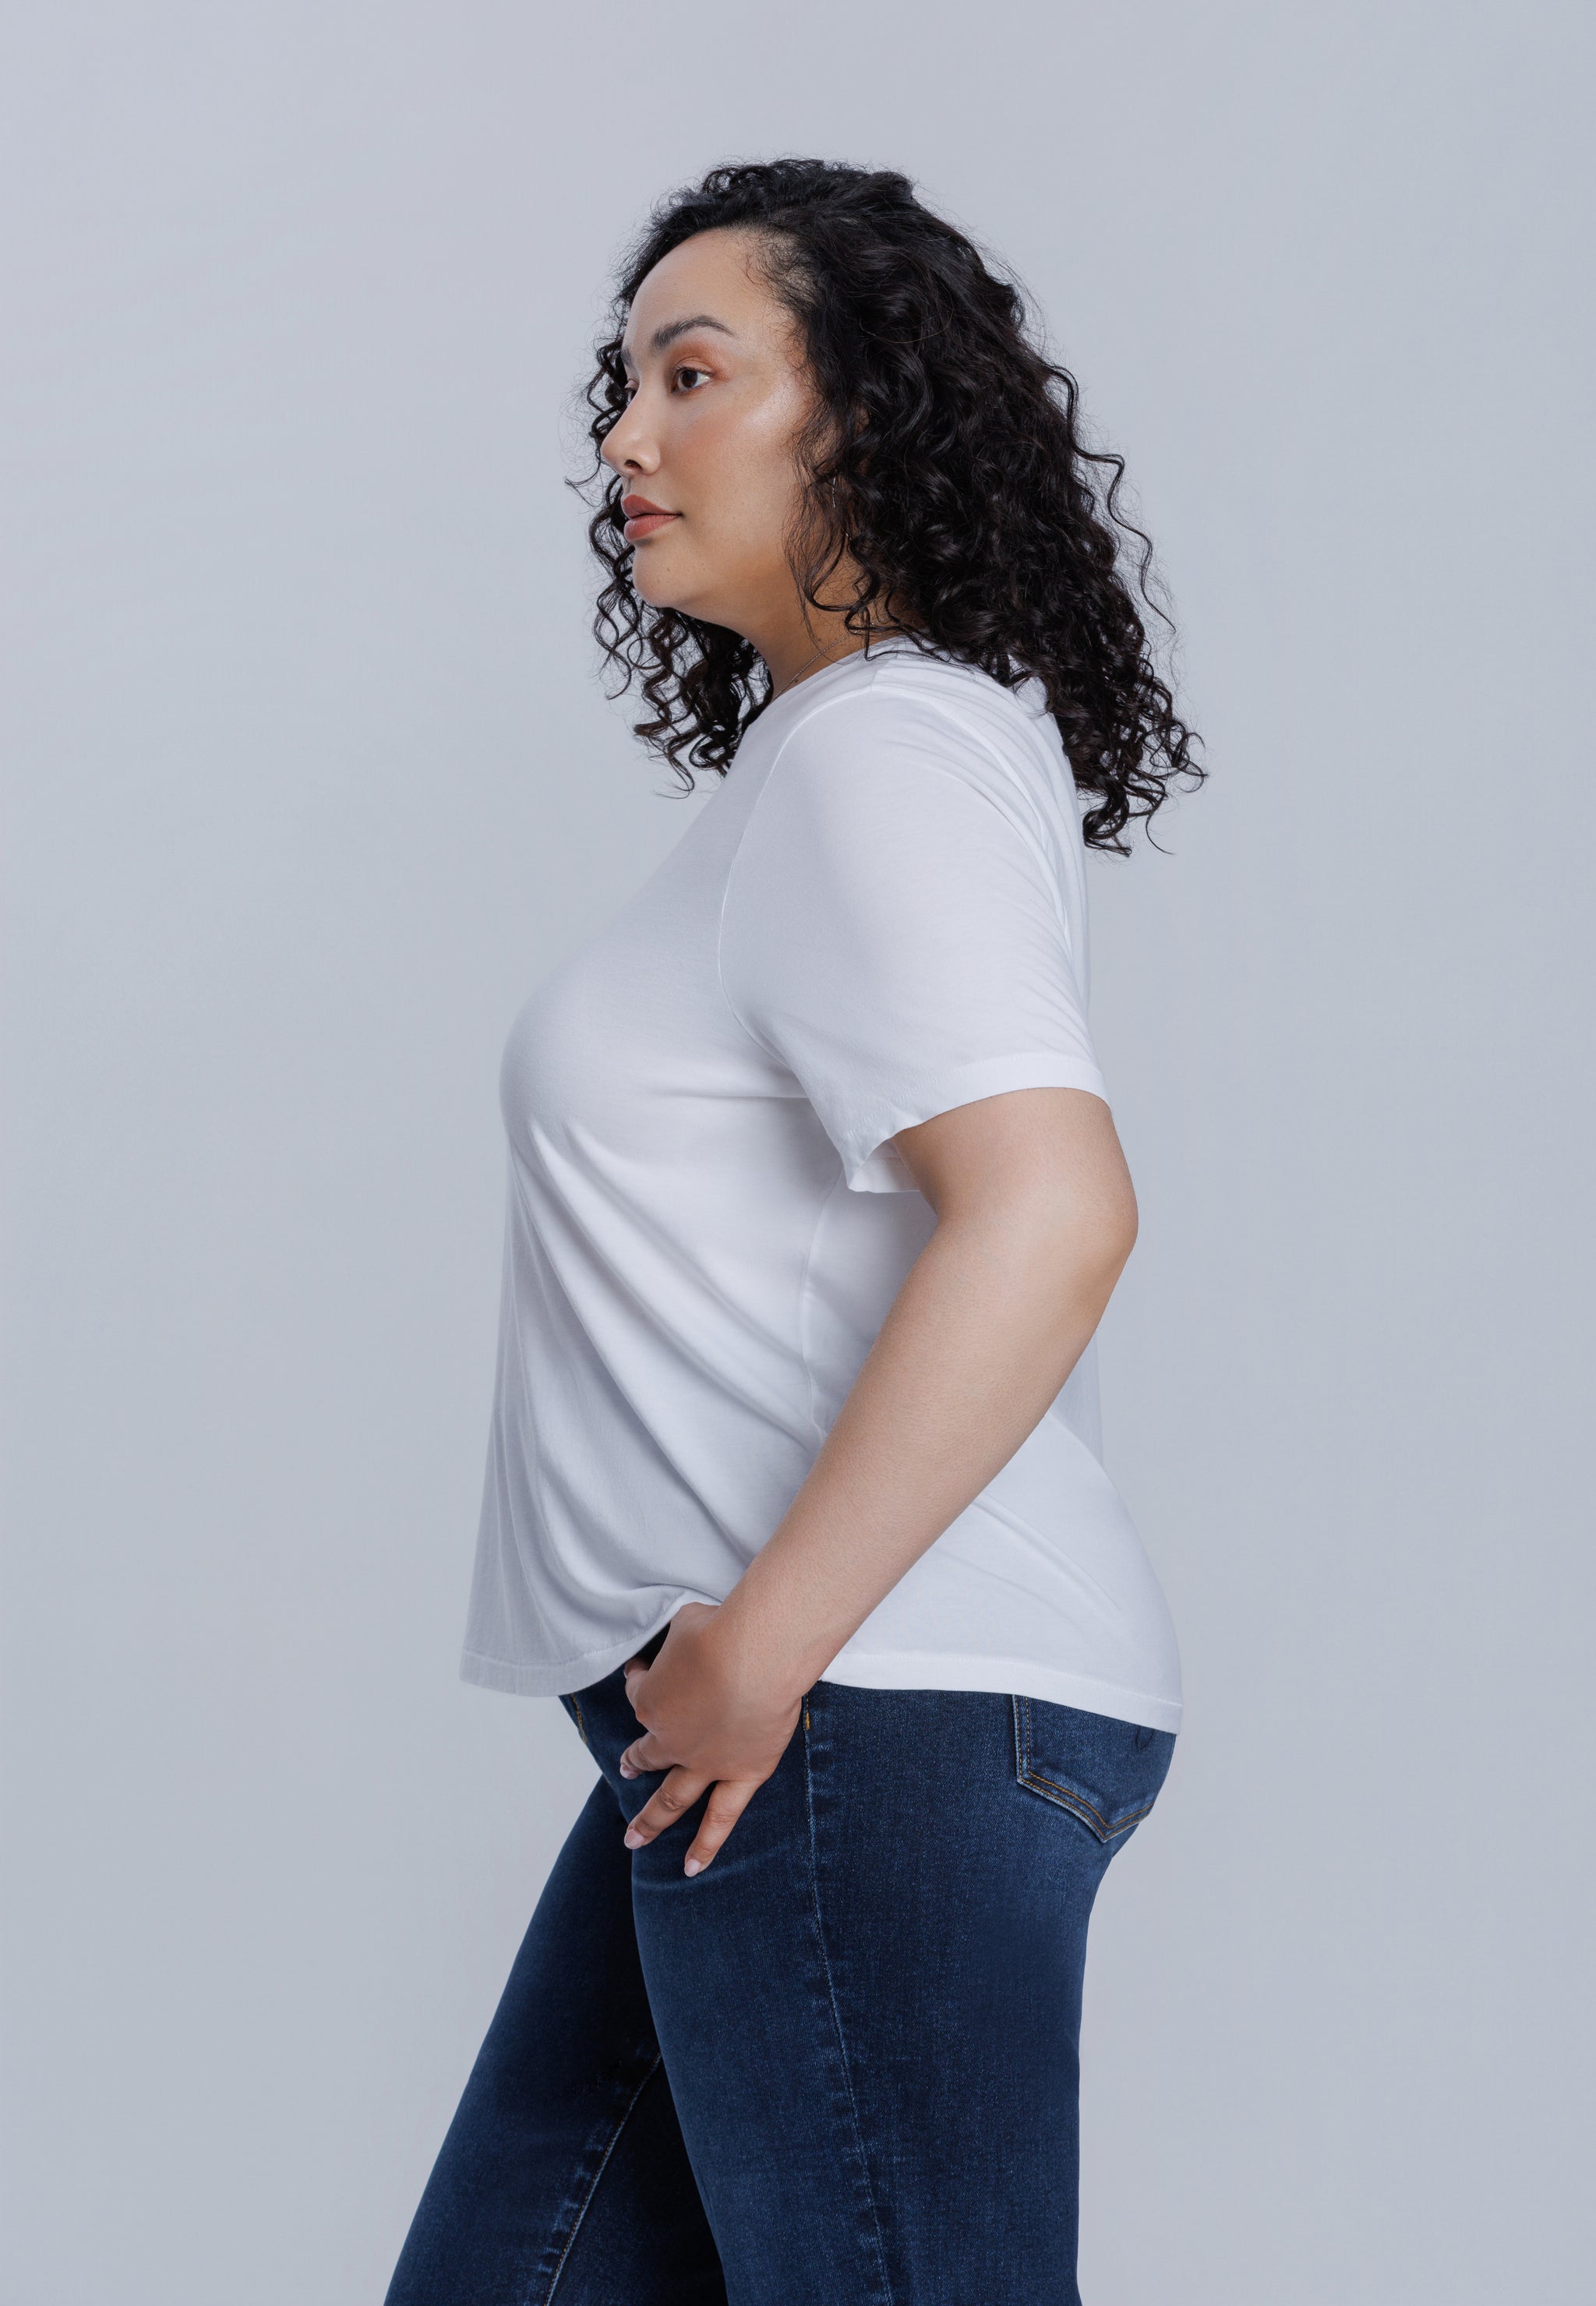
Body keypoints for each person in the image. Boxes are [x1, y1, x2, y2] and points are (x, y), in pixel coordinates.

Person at [384, 157, 1204, 2306]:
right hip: (789, 1722)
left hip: (855, 1705)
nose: (623, 440)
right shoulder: (847, 759)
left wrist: (761, 1651)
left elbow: (1050, 1209)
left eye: (692, 375)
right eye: (620, 388)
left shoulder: (887, 750)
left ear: (866, 410)